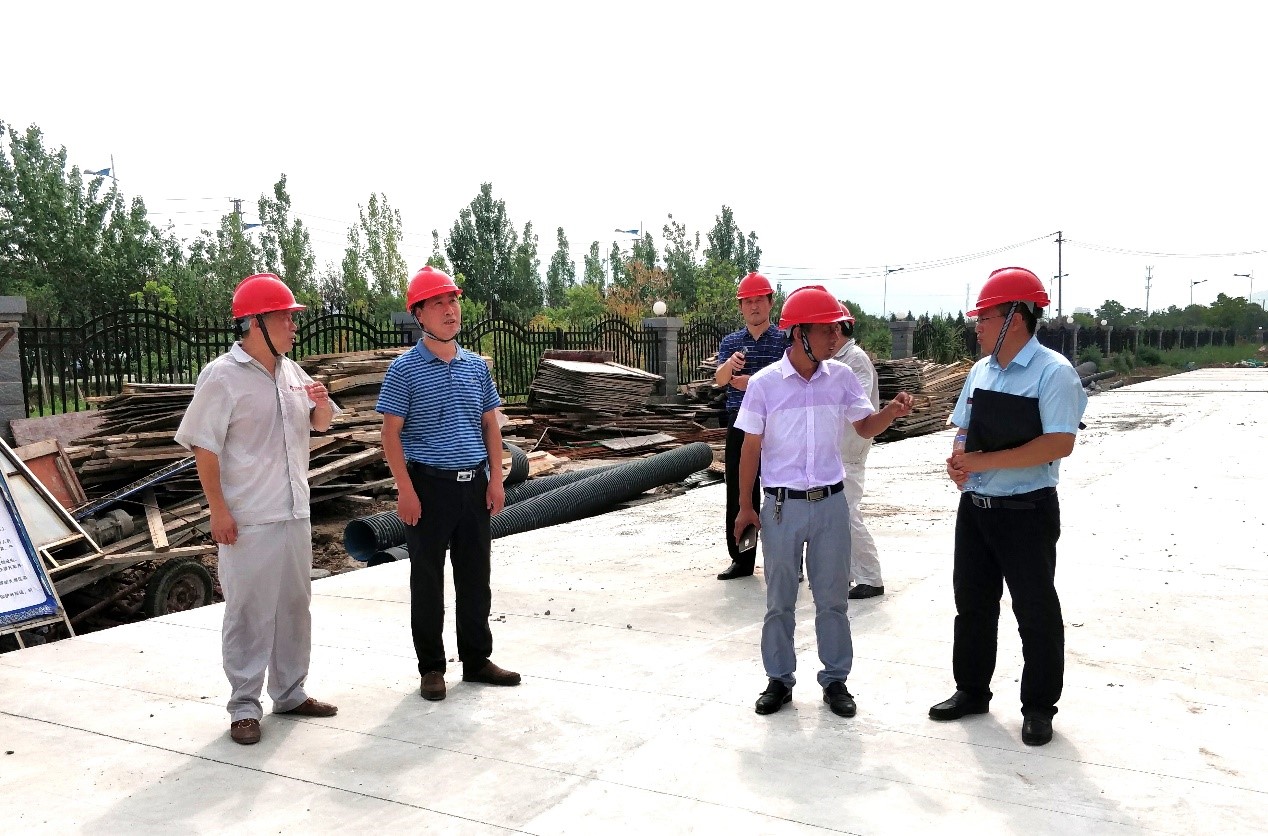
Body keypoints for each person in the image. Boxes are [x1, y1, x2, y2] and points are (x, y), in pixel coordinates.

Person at [732, 285, 913, 717]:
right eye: (827, 330)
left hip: (831, 503)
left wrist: (889, 413)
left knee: (832, 600)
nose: (836, 337)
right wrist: (745, 506)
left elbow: (864, 426)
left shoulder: (842, 377)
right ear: (800, 334)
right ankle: (779, 680)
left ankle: (835, 681)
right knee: (780, 600)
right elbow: (750, 449)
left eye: (837, 329)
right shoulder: (764, 385)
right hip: (781, 507)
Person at [175, 273, 338, 746]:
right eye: (286, 317)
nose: (293, 325)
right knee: (248, 612)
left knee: (294, 607)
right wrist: (218, 510)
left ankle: (290, 692)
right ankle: (244, 707)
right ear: (257, 322)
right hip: (248, 518)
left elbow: (322, 424)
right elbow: (204, 447)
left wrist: (322, 404)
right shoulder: (222, 376)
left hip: (294, 511)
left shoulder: (292, 372)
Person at [930, 266, 1088, 747]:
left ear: (1015, 318)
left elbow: (1058, 443)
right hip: (976, 509)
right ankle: (972, 690)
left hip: (1026, 512)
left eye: (985, 317)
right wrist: (959, 459)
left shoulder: (1053, 373)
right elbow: (964, 426)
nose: (977, 326)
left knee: (1035, 611)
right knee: (972, 605)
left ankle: (1038, 707)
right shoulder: (980, 371)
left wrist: (984, 460)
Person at [377, 266, 520, 703]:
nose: (449, 310)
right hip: (429, 488)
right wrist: (405, 489)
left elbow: (490, 425)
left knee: (476, 577)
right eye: (437, 303)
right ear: (419, 314)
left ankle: (476, 660)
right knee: (428, 581)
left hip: (473, 486)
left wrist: (496, 479)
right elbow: (390, 434)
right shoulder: (404, 370)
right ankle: (432, 668)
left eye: (453, 300)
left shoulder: (475, 366)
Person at [714, 272, 788, 580]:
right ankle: (742, 560)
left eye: (759, 300)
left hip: (776, 423)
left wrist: (754, 384)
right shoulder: (731, 343)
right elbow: (720, 380)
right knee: (739, 491)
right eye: (748, 302)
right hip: (740, 422)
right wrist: (728, 366)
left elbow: (791, 381)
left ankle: (788, 559)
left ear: (771, 303)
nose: (754, 306)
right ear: (741, 307)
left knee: (783, 489)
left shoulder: (784, 341)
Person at [832, 301, 886, 600]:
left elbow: (856, 403)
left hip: (849, 449)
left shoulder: (855, 360)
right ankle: (849, 573)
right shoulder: (836, 358)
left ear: (839, 328)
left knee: (847, 512)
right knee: (837, 515)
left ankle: (870, 577)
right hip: (836, 449)